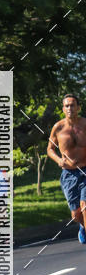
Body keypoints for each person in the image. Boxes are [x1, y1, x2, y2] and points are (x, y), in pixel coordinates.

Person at [47, 94, 86, 244]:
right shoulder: (58, 127)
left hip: (85, 170)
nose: (70, 108)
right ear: (63, 109)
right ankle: (82, 226)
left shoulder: (85, 124)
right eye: (67, 105)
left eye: (73, 105)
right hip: (69, 174)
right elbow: (50, 149)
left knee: (84, 207)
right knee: (76, 214)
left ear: (78, 107)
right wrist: (58, 160)